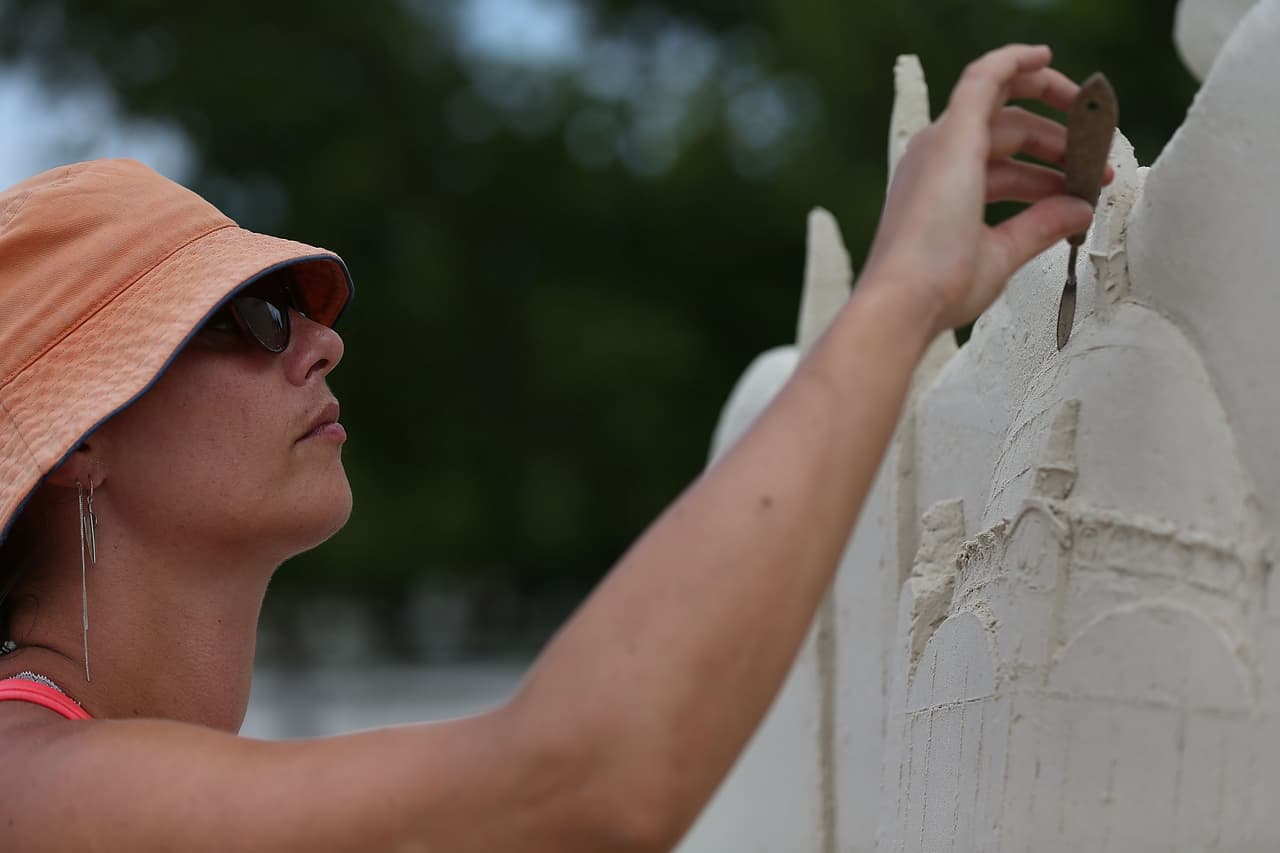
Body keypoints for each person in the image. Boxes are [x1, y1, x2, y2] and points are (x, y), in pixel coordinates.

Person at [0, 44, 1102, 852]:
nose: (324, 342)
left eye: (306, 307)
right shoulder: (25, 784)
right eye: (256, 318)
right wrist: (903, 294)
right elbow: (588, 782)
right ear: (80, 438)